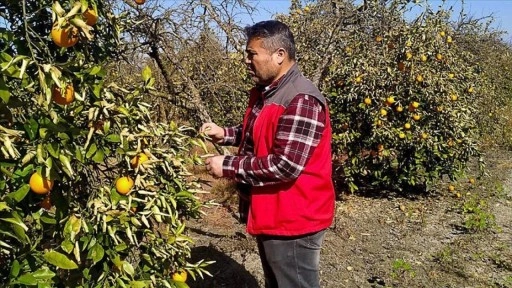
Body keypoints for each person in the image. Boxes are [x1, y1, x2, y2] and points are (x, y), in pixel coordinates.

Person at [200, 20, 335, 288]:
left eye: (252, 54)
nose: (246, 61)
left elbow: (285, 164)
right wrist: (223, 133)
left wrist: (228, 165)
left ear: (279, 55)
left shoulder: (300, 99)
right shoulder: (271, 92)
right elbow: (257, 132)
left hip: (294, 218)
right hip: (275, 212)